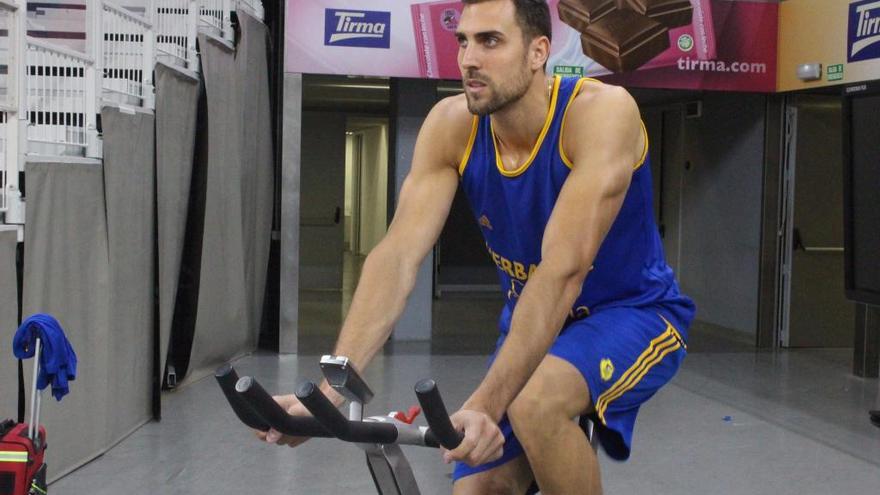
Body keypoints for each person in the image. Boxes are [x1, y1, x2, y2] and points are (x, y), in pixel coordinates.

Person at [258, 0, 695, 493]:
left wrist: (487, 406)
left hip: (632, 314)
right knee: (476, 489)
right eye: (462, 41)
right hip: (529, 324)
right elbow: (398, 255)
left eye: (490, 41)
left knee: (536, 402)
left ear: (538, 52)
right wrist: (333, 390)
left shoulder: (599, 115)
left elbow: (562, 271)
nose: (468, 58)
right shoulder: (452, 125)